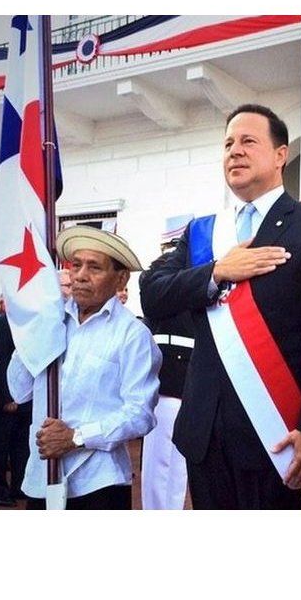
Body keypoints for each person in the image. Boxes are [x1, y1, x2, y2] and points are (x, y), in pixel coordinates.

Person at [140, 103, 301, 509]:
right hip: (205, 430)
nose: (235, 151)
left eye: (248, 141)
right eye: (228, 143)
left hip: (277, 430)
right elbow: (153, 294)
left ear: (280, 154)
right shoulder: (205, 231)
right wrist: (217, 271)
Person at [10, 227, 161, 510]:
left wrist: (76, 438)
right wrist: (34, 330)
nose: (80, 275)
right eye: (76, 265)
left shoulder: (132, 335)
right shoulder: (52, 322)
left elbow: (140, 413)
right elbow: (19, 391)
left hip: (98, 480)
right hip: (42, 475)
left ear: (121, 278)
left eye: (94, 267)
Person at [140, 215, 196, 510]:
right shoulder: (159, 276)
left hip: (189, 385)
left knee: (178, 469)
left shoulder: (199, 273)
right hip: (165, 384)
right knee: (158, 466)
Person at [0, 296, 29, 507]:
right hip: (6, 399)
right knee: (0, 448)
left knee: (22, 446)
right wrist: (7, 397)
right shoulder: (0, 325)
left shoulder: (30, 326)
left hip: (26, 399)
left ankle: (18, 485)